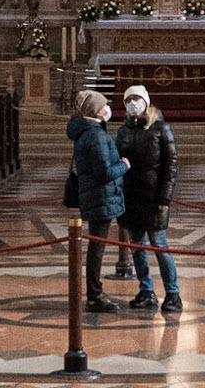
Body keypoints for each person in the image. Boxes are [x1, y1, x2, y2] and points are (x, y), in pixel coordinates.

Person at [116, 83, 181, 315]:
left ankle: (173, 293)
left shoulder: (161, 128)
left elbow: (171, 164)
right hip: (130, 196)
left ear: (146, 101)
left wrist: (165, 195)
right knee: (136, 247)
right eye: (128, 99)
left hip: (154, 197)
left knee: (159, 246)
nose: (133, 103)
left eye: (137, 98)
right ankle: (146, 290)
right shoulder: (123, 131)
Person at [66, 88, 129, 311]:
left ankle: (95, 291)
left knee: (96, 246)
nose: (107, 109)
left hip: (93, 195)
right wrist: (124, 165)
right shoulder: (96, 136)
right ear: (96, 110)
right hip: (101, 197)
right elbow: (104, 173)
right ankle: (94, 295)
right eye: (103, 106)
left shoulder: (85, 132)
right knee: (97, 248)